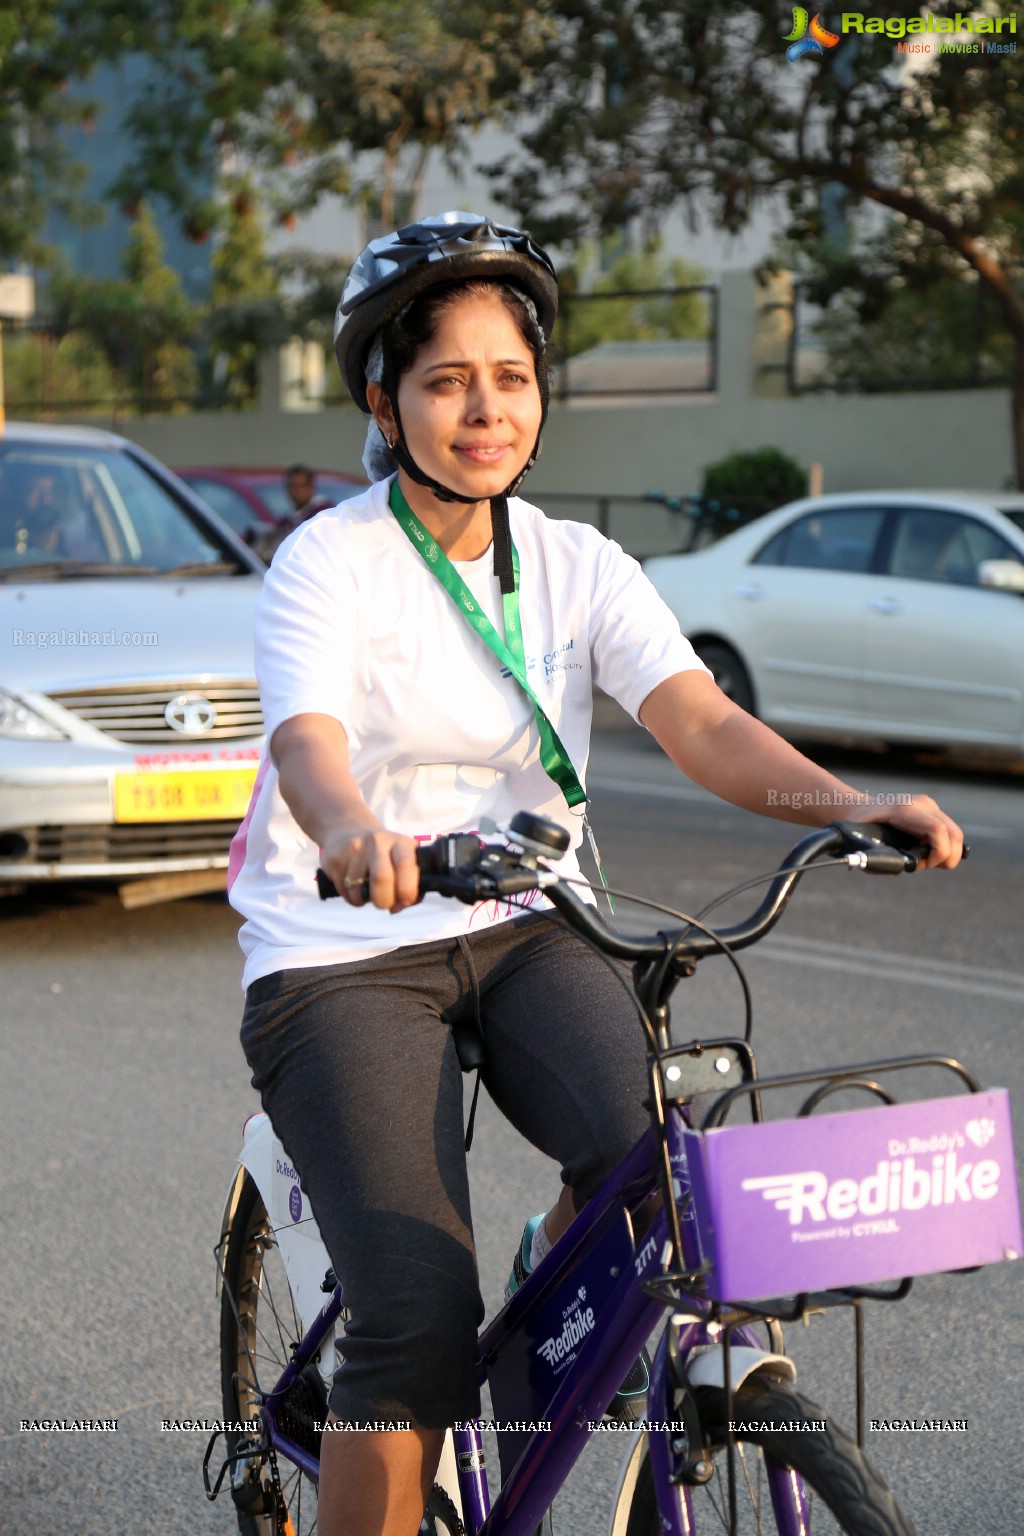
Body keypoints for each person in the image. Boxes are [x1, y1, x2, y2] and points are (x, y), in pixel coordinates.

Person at [226, 212, 964, 1536]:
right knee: (411, 1319)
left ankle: (548, 1307)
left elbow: (701, 721)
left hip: (526, 916)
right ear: (384, 402)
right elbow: (309, 743)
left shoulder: (577, 567)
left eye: (511, 378)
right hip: (344, 946)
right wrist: (348, 830)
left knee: (663, 1189)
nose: (484, 410)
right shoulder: (329, 563)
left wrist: (851, 803)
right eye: (447, 380)